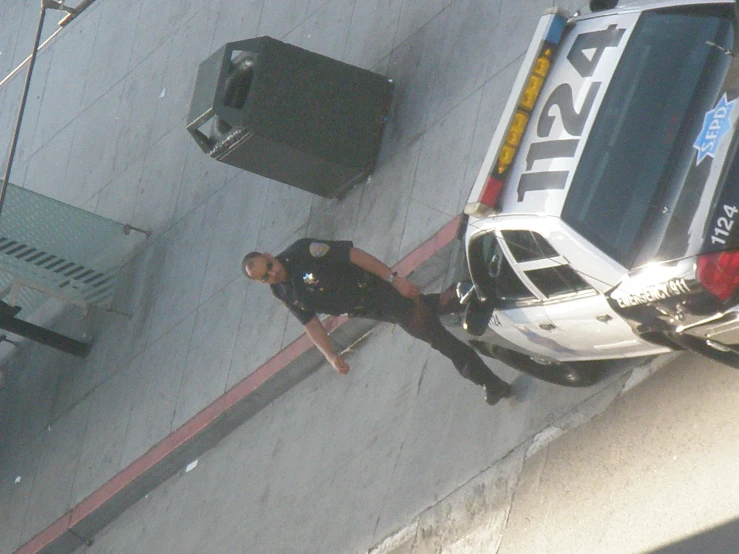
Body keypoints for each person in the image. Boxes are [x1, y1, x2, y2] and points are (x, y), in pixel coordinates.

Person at [242, 238, 513, 406]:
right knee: (436, 309)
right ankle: (489, 293)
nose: (273, 274)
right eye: (265, 277)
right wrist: (331, 355)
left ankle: (490, 383)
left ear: (268, 254)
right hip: (374, 310)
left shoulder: (304, 251)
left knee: (441, 340)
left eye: (269, 266)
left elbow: (355, 255)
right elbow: (310, 323)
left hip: (385, 294)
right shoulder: (282, 291)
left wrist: (395, 280)